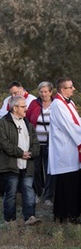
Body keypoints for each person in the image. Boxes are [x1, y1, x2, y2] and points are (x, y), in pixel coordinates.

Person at [48, 77, 81, 224]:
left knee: (75, 180)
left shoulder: (69, 102)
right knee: (67, 183)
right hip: (65, 149)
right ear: (62, 89)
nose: (73, 89)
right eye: (70, 87)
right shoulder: (58, 104)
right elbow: (69, 125)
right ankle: (67, 214)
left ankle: (73, 212)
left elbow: (77, 120)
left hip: (73, 148)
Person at [0, 96, 41, 226]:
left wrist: (31, 153)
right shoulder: (3, 123)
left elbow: (35, 143)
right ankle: (10, 220)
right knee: (10, 193)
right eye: (23, 106)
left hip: (27, 164)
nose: (26, 109)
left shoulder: (27, 123)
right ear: (14, 108)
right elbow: (3, 143)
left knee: (29, 191)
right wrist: (20, 153)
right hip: (10, 165)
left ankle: (30, 217)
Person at [26, 81, 54, 205]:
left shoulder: (56, 104)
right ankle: (38, 192)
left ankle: (48, 196)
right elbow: (27, 119)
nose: (43, 94)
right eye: (41, 92)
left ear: (51, 92)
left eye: (46, 91)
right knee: (36, 169)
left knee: (49, 169)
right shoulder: (34, 104)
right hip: (36, 143)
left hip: (51, 143)